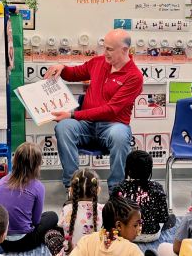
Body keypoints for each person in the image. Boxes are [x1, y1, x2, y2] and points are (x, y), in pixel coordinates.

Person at [44, 29, 143, 193]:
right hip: (86, 126)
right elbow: (75, 73)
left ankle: (116, 190)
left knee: (120, 135)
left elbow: (111, 110)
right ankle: (74, 186)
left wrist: (73, 114)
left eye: (110, 49)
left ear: (125, 50)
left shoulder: (134, 77)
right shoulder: (98, 62)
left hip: (112, 126)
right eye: (105, 47)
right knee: (64, 127)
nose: (105, 53)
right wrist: (62, 67)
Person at [0, 142, 58, 252]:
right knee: (52, 216)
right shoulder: (38, 186)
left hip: (1, 241)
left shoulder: (1, 181)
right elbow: (36, 221)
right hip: (24, 242)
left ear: (14, 160)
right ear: (37, 165)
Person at [113, 150, 175, 242]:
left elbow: (112, 214)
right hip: (151, 235)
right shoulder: (157, 188)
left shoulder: (119, 188)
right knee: (171, 218)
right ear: (150, 170)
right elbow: (163, 218)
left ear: (128, 169)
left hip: (124, 234)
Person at [46, 168, 104, 255]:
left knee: (50, 233)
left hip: (71, 253)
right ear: (98, 190)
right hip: (96, 253)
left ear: (71, 191)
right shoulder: (103, 210)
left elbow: (60, 225)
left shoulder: (67, 209)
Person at [70, 194, 143, 256]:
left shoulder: (86, 241)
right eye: (135, 225)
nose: (139, 229)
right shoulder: (132, 250)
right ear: (119, 226)